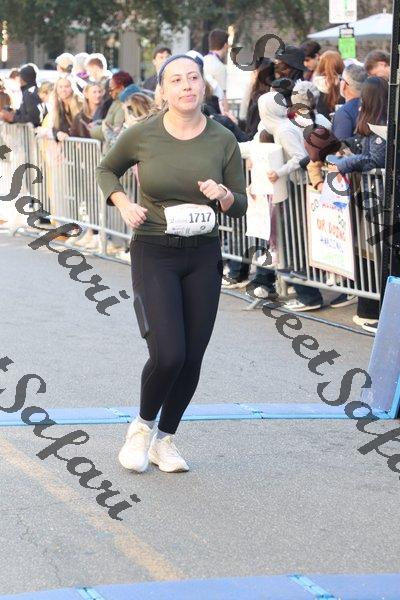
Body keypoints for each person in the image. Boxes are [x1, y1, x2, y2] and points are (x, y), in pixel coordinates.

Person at [96, 54, 247, 473]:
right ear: (162, 91)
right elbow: (107, 170)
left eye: (193, 78)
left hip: (203, 254)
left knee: (192, 356)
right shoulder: (143, 133)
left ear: (203, 85)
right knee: (169, 354)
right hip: (154, 250)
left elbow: (240, 204)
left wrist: (223, 195)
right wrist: (123, 203)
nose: (186, 86)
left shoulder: (222, 139)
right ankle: (141, 428)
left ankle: (165, 440)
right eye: (176, 80)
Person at [90, 71, 134, 144]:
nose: (109, 93)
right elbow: (109, 122)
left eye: (111, 89)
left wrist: (93, 130)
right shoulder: (116, 102)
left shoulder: (123, 105)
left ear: (121, 88)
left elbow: (115, 132)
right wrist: (98, 123)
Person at [332, 64, 367, 140]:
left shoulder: (344, 113)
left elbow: (341, 145)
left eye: (341, 79)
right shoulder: (372, 105)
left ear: (344, 84)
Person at [203, 29, 230, 113]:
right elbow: (223, 96)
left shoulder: (203, 60)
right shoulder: (219, 67)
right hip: (215, 111)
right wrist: (228, 116)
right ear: (225, 45)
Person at [313, 50, 344, 118]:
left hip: (320, 122)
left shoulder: (314, 85)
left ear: (321, 65)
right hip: (341, 121)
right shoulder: (345, 85)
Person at [51, 76, 82, 141]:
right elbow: (55, 127)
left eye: (67, 86)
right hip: (67, 144)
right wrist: (58, 134)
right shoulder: (58, 105)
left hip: (81, 142)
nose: (63, 90)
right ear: (56, 89)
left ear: (72, 88)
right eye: (60, 87)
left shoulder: (80, 103)